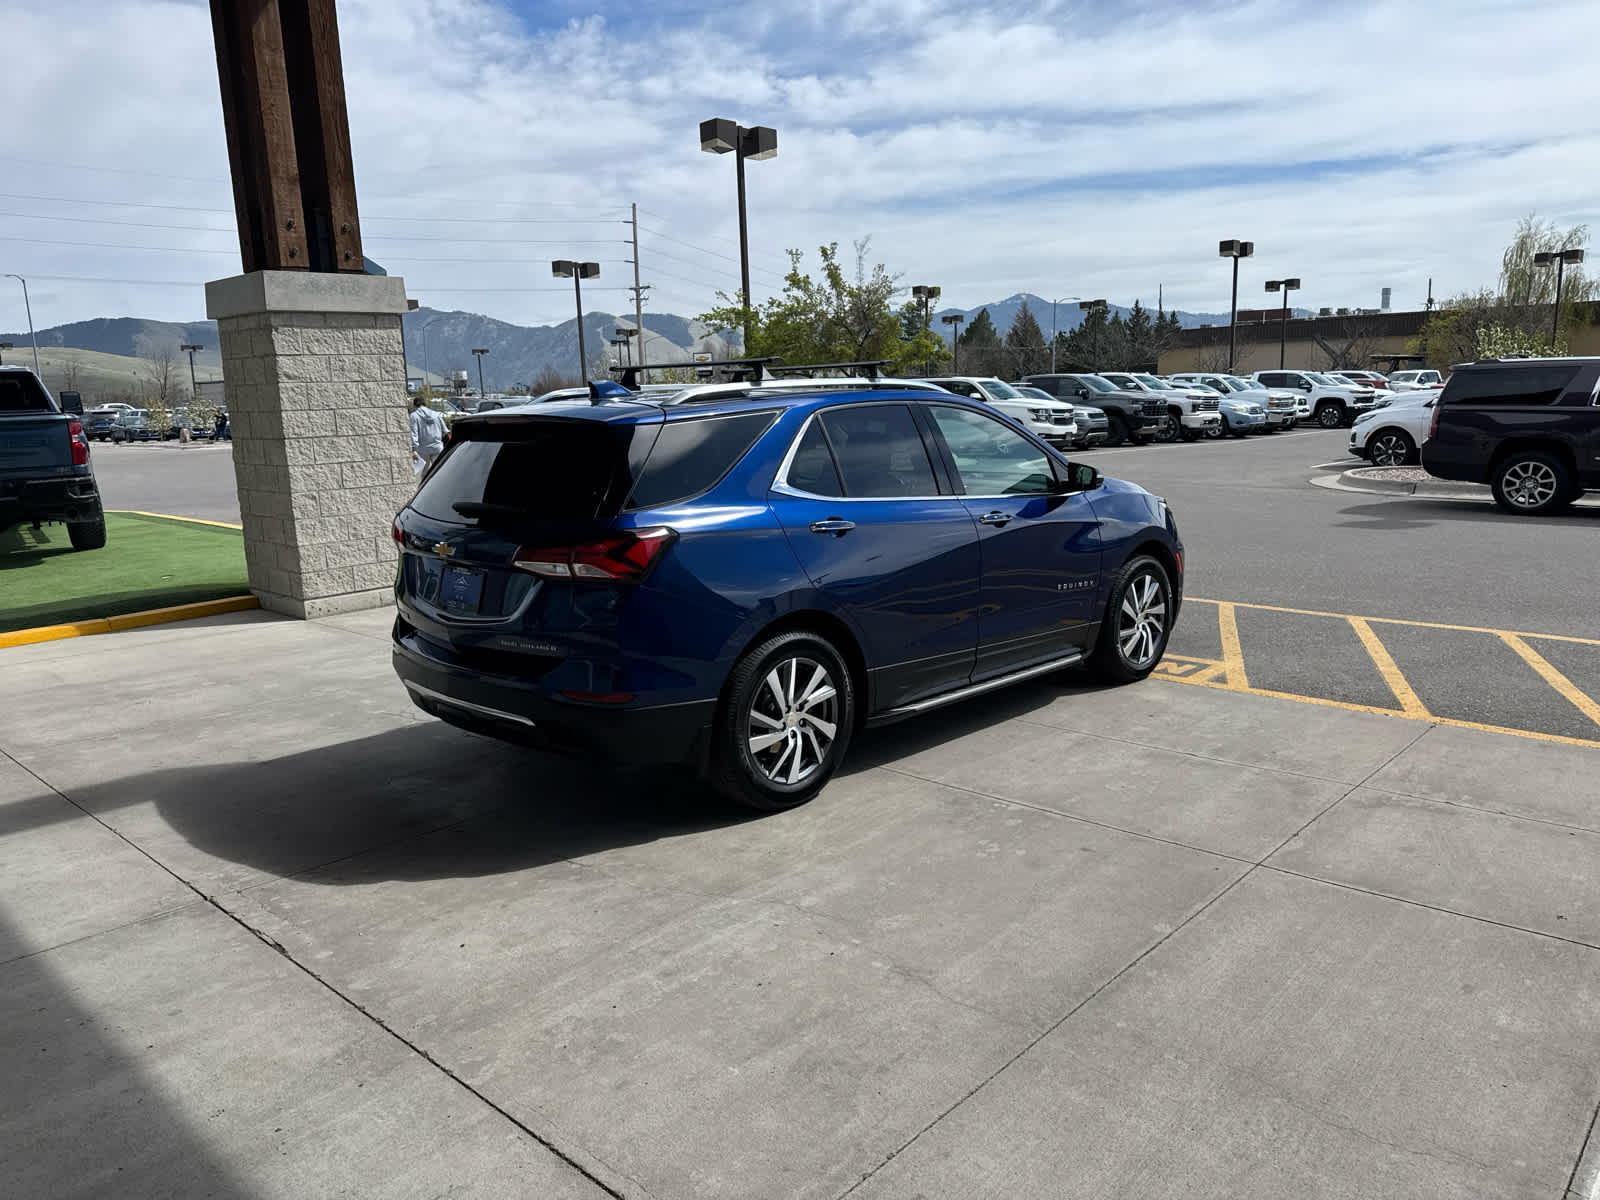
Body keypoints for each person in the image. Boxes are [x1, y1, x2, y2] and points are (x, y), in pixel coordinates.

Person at [409, 396, 446, 472]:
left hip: (423, 449)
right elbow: (445, 430)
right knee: (439, 471)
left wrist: (414, 449)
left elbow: (414, 433)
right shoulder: (436, 414)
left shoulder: (414, 416)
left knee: (425, 473)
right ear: (425, 404)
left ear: (415, 405)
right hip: (437, 447)